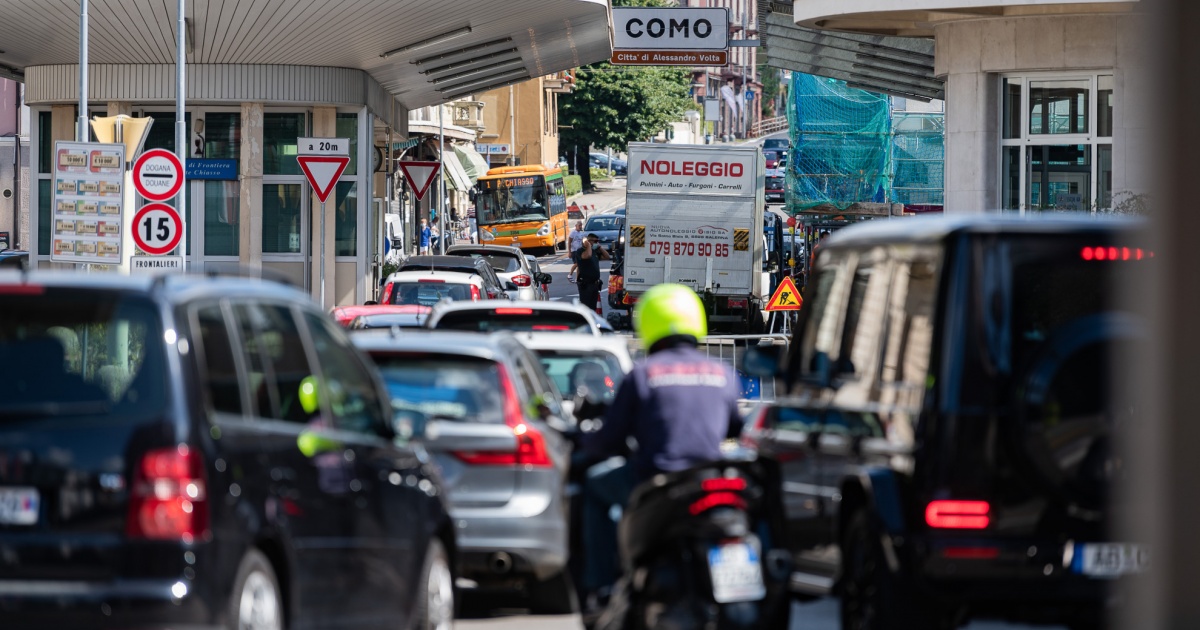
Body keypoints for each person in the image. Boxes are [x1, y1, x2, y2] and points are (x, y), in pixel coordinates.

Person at [578, 283, 743, 609]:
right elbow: (736, 427)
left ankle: (602, 587)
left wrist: (583, 442)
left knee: (595, 486)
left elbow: (609, 440)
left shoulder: (643, 375)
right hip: (710, 483)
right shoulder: (722, 373)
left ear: (648, 322)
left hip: (655, 481)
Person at [576, 232, 609, 312]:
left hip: (594, 284)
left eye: (597, 241)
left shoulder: (594, 251)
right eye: (595, 241)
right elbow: (588, 256)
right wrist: (588, 245)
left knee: (593, 308)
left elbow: (607, 257)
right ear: (588, 241)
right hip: (586, 284)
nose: (596, 243)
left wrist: (600, 247)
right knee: (586, 308)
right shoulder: (580, 251)